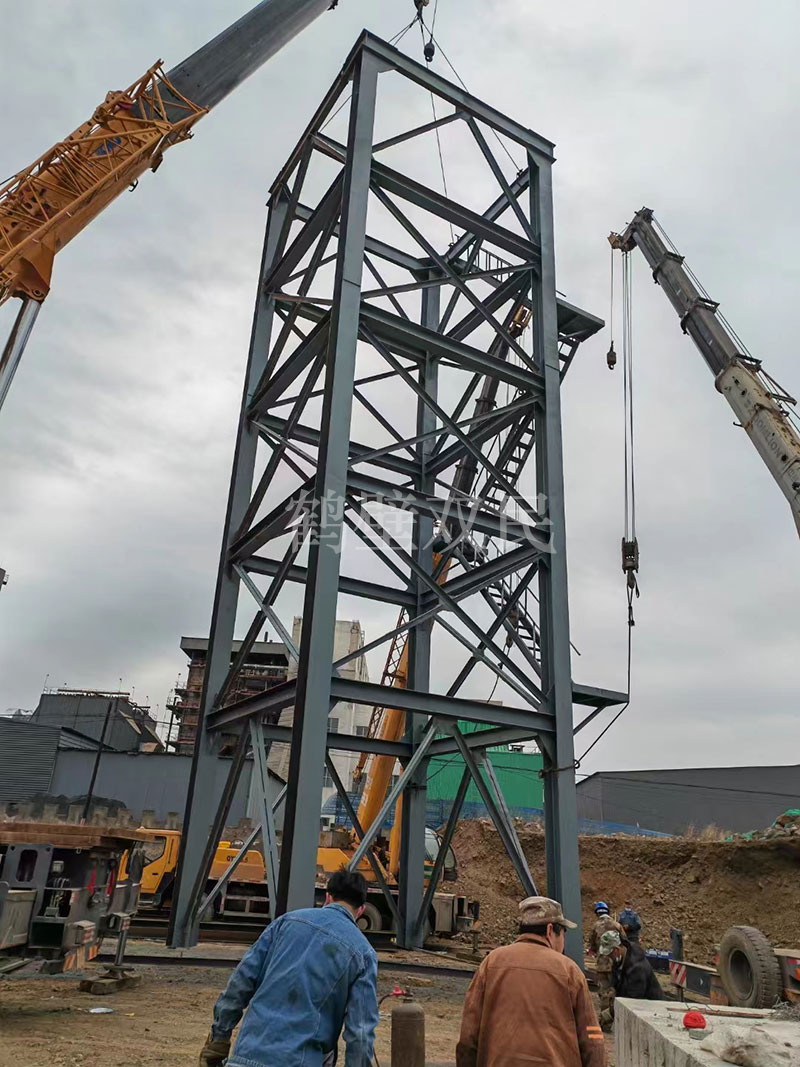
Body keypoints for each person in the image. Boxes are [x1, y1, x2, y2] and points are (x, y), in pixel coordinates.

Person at [198, 870, 379, 1067]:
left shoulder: (285, 923)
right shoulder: (363, 953)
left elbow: (240, 983)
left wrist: (219, 1038)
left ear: (328, 897)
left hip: (246, 1058)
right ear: (361, 910)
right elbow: (360, 1032)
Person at [457, 895, 606, 1067]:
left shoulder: (491, 963)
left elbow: (468, 1036)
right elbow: (592, 1038)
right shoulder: (570, 971)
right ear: (550, 931)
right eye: (563, 933)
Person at [596, 930, 663, 1028]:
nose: (609, 957)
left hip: (651, 1011)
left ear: (617, 950)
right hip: (638, 1008)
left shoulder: (637, 968)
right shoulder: (620, 959)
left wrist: (609, 1014)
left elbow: (631, 1001)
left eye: (610, 954)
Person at [588, 902, 624, 1031]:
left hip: (602, 964)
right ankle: (618, 1019)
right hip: (616, 964)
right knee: (617, 990)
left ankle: (606, 1022)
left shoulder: (595, 926)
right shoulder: (617, 925)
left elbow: (592, 945)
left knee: (604, 992)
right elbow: (625, 942)